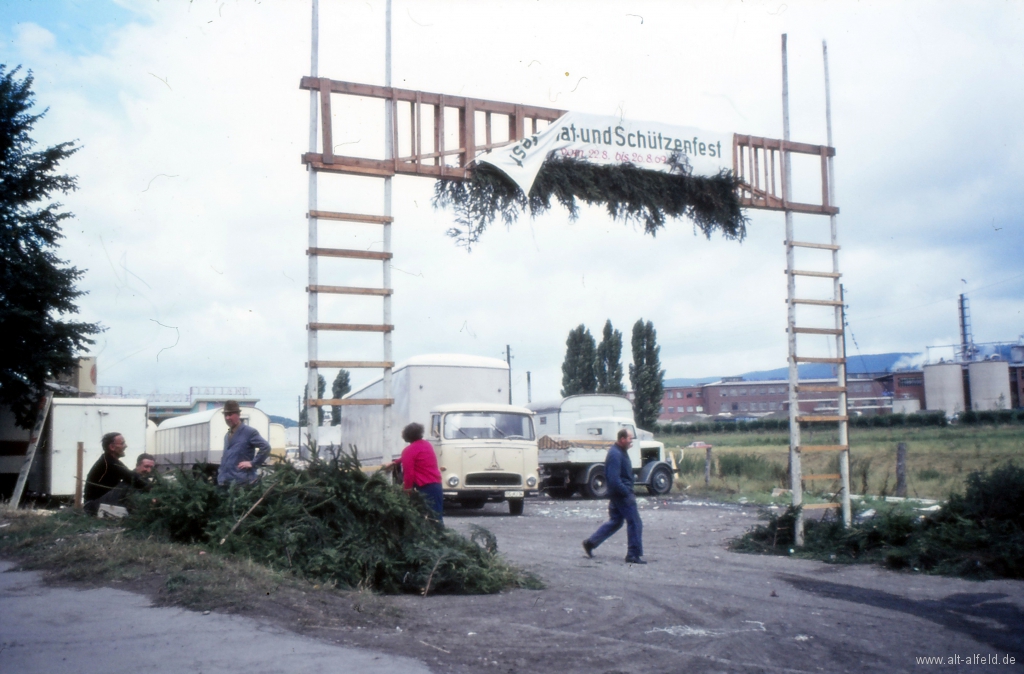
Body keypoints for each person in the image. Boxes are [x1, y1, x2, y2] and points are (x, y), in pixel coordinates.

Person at [582, 429, 646, 564]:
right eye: (629, 438)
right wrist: (626, 492)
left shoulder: (619, 452)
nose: (631, 442)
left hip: (618, 494)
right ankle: (633, 555)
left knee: (616, 521)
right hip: (621, 495)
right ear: (622, 439)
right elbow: (613, 479)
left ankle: (591, 543)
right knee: (635, 522)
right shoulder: (615, 454)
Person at [83, 432, 145, 513]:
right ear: (112, 447)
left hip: (96, 503)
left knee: (130, 482)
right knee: (127, 484)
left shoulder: (108, 460)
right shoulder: (110, 463)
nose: (126, 446)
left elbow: (130, 474)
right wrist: (152, 488)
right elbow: (132, 477)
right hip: (92, 506)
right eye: (122, 443)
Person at [395, 422, 444, 524]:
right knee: (437, 517)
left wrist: (407, 491)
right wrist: (396, 462)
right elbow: (415, 456)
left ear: (406, 435)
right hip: (436, 485)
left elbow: (409, 474)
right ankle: (442, 538)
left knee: (429, 519)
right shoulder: (426, 444)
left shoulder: (408, 450)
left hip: (425, 487)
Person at [217, 400, 271, 487]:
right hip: (226, 483)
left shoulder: (249, 432)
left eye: (230, 414)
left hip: (242, 484)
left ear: (238, 415)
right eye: (225, 415)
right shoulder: (227, 435)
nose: (227, 418)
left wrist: (253, 463)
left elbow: (266, 447)